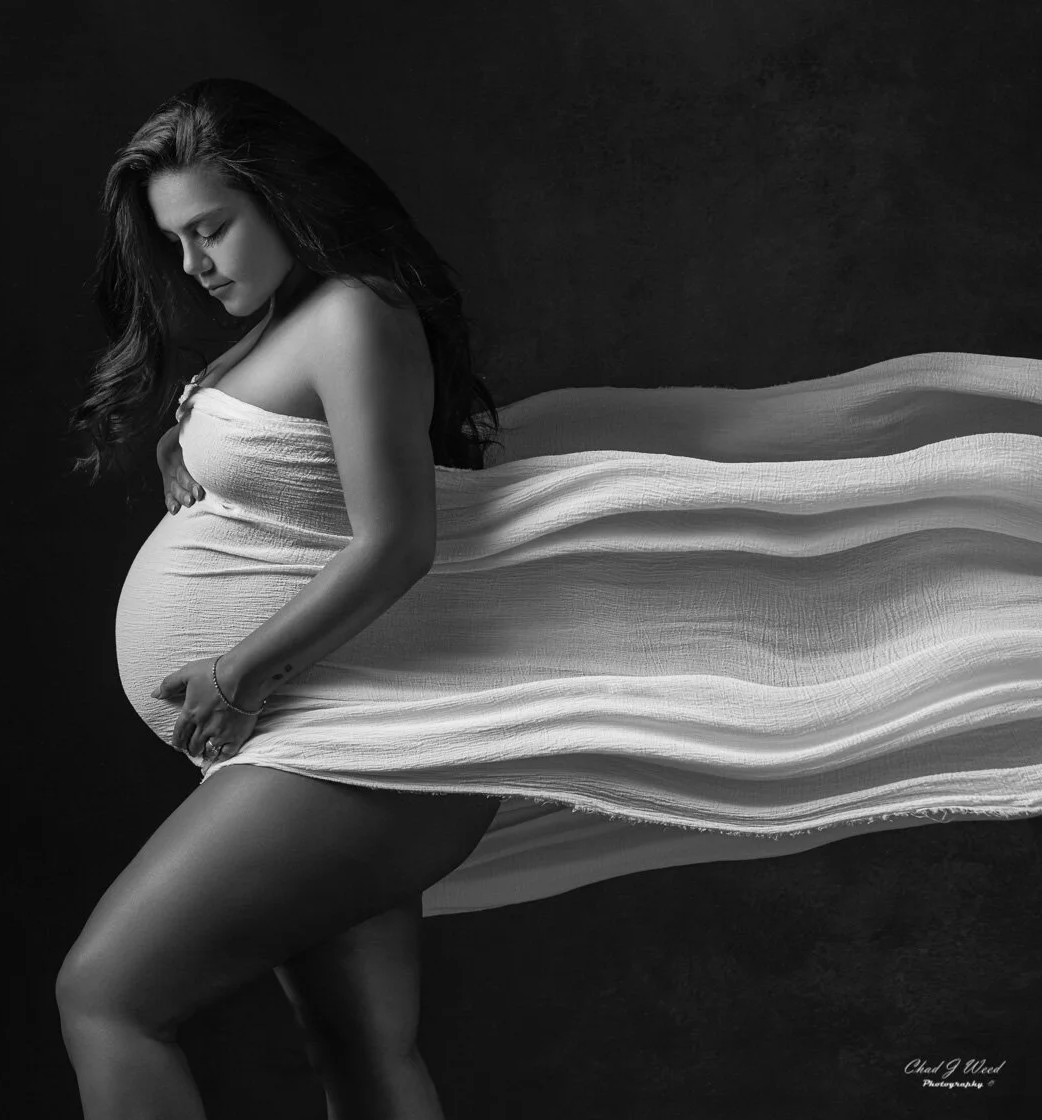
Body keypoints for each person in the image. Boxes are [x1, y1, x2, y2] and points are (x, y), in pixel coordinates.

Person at [57, 77, 1042, 1118]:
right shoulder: (281, 322)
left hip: (350, 743)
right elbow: (298, 468)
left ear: (281, 197)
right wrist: (188, 436)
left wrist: (235, 666)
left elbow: (396, 542)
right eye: (175, 243)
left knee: (107, 994)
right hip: (323, 734)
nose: (193, 265)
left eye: (210, 229)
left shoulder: (355, 315)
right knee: (360, 1051)